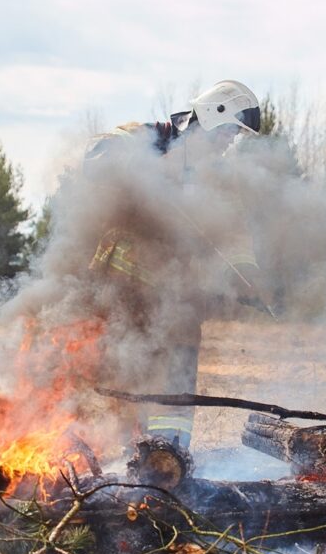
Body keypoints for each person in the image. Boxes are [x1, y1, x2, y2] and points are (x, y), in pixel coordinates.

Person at [84, 80, 268, 449]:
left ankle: (171, 457)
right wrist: (147, 169)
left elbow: (233, 230)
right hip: (121, 290)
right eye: (230, 131)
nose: (230, 141)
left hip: (179, 297)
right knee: (122, 372)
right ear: (214, 115)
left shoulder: (217, 177)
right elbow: (96, 158)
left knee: (179, 374)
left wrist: (247, 274)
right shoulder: (151, 137)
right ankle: (117, 457)